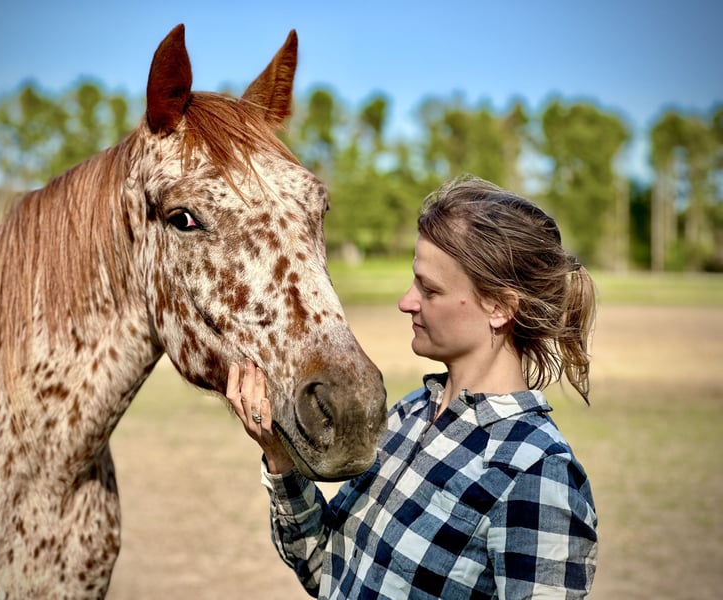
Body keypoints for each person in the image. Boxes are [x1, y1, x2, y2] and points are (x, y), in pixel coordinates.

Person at [227, 175, 598, 599]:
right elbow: (325, 570)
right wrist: (279, 455)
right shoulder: (410, 414)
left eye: (430, 289)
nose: (406, 301)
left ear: (499, 307)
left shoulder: (537, 471)